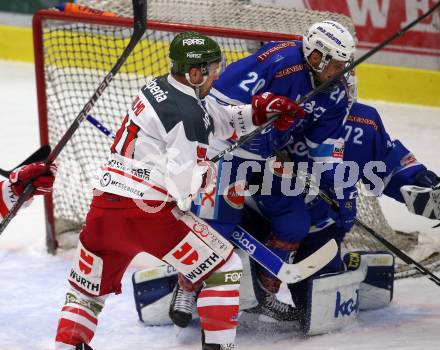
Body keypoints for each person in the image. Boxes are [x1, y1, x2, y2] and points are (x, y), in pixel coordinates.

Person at [53, 31, 303, 350]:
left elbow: (214, 117)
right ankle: (218, 346)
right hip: (149, 213)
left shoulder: (157, 86)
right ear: (194, 73)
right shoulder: (190, 116)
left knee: (86, 292)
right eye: (213, 70)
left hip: (103, 209)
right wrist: (208, 172)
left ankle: (67, 345)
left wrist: (258, 112)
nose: (218, 76)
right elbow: (185, 188)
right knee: (224, 265)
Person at [169, 19, 356, 325]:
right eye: (334, 65)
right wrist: (257, 117)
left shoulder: (335, 93)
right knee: (218, 231)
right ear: (315, 56)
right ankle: (187, 287)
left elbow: (322, 148)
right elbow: (215, 104)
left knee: (295, 223)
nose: (339, 72)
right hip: (228, 154)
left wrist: (337, 188)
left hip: (271, 159)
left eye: (342, 65)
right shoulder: (277, 61)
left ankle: (265, 291)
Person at [246, 100, 440, 330]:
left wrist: (418, 179)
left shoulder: (364, 121)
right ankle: (253, 286)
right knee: (253, 257)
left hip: (325, 222)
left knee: (315, 302)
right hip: (271, 210)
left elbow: (388, 161)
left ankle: (339, 267)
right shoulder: (289, 107)